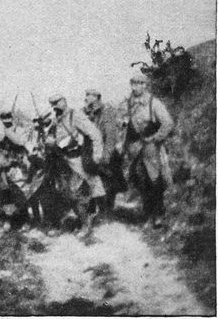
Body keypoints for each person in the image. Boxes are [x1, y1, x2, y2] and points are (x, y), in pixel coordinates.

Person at [119, 72, 174, 228]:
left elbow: (168, 123)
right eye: (133, 84)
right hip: (134, 144)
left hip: (150, 144)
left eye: (139, 84)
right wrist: (123, 127)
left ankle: (158, 214)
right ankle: (147, 209)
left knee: (154, 178)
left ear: (145, 85)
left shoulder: (153, 103)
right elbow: (122, 121)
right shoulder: (128, 103)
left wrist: (156, 137)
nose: (135, 87)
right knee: (136, 176)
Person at [46, 94, 106, 236]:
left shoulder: (75, 115)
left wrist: (97, 155)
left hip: (76, 160)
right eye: (52, 104)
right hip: (62, 160)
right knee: (63, 192)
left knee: (76, 193)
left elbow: (95, 134)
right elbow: (53, 137)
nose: (54, 107)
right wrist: (50, 141)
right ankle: (64, 224)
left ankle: (85, 224)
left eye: (57, 103)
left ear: (64, 101)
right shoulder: (56, 119)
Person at [83, 88, 126, 211]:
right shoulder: (86, 112)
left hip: (107, 151)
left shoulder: (106, 111)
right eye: (86, 95)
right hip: (92, 152)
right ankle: (93, 209)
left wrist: (106, 155)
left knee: (109, 181)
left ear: (96, 97)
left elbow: (110, 136)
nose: (86, 98)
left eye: (89, 95)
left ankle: (107, 209)